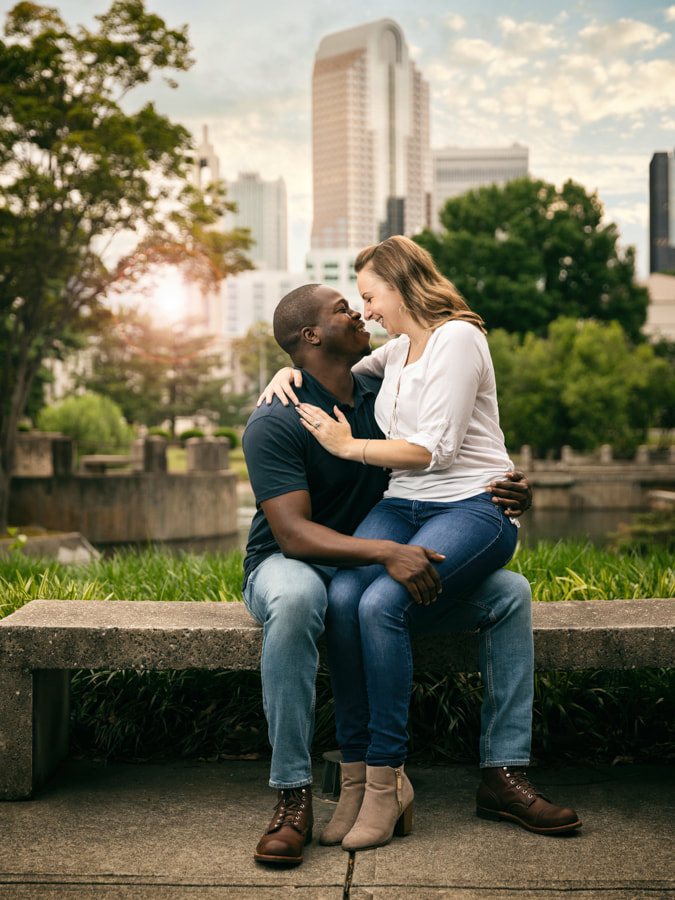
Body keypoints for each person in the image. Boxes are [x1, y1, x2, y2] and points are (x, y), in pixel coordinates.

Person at [242, 281, 576, 869]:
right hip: (293, 562)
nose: (359, 311)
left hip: (381, 559)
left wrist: (505, 482)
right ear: (312, 336)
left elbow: (449, 440)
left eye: (361, 299)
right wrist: (385, 554)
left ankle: (503, 773)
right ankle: (292, 797)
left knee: (510, 594)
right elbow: (292, 533)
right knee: (298, 602)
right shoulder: (275, 419)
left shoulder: (378, 388)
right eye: (344, 308)